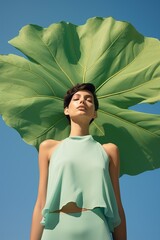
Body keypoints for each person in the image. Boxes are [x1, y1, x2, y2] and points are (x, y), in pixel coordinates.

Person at [30, 83, 127, 240]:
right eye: (76, 98)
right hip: (56, 229)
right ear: (66, 110)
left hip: (97, 229)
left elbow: (117, 206)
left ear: (95, 113)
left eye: (89, 99)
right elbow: (41, 203)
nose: (82, 101)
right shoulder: (48, 148)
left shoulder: (109, 151)